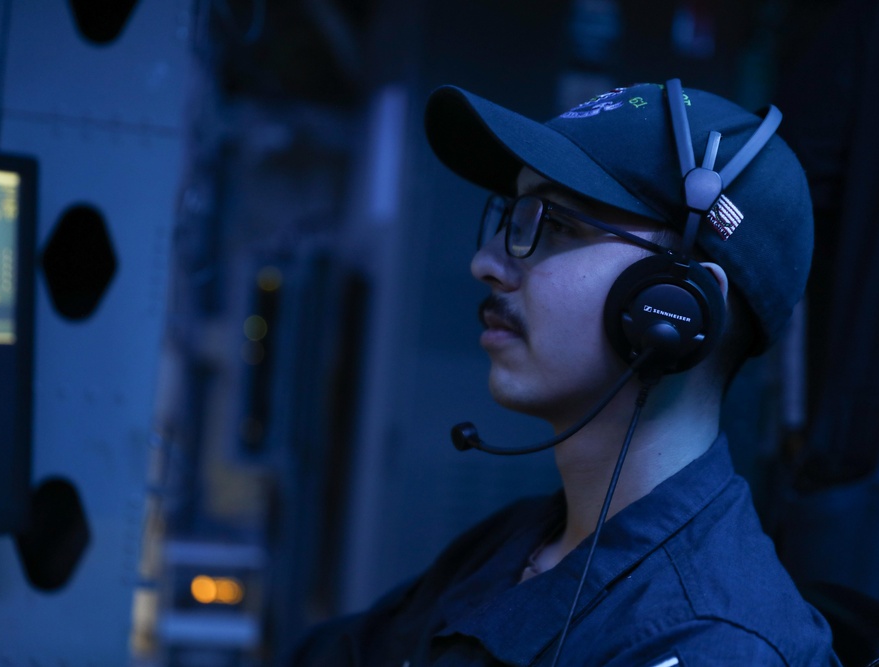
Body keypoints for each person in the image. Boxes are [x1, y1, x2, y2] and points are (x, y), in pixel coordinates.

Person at [289, 80, 841, 666]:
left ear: (680, 304)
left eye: (556, 225)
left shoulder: (711, 644)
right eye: (510, 216)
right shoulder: (518, 541)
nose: (486, 264)